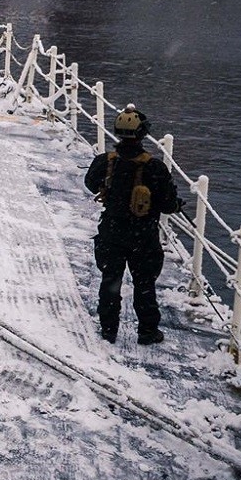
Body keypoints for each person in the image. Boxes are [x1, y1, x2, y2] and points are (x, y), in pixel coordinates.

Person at [83, 106, 182, 345]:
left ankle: (109, 329)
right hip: (143, 236)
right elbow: (168, 205)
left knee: (110, 281)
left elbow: (90, 184)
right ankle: (148, 331)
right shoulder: (155, 168)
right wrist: (177, 203)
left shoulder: (105, 162)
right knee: (144, 285)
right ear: (143, 134)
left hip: (112, 232)